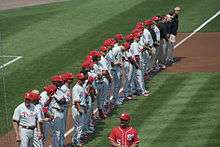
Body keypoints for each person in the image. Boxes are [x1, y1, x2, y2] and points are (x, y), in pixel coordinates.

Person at [72, 73, 87, 147]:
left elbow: (83, 98)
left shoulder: (82, 86)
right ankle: (77, 141)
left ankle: (75, 139)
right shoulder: (76, 88)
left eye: (84, 79)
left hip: (81, 106)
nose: (83, 80)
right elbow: (76, 100)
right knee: (79, 125)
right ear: (78, 79)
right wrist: (79, 109)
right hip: (77, 107)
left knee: (79, 125)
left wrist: (85, 107)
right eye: (81, 79)